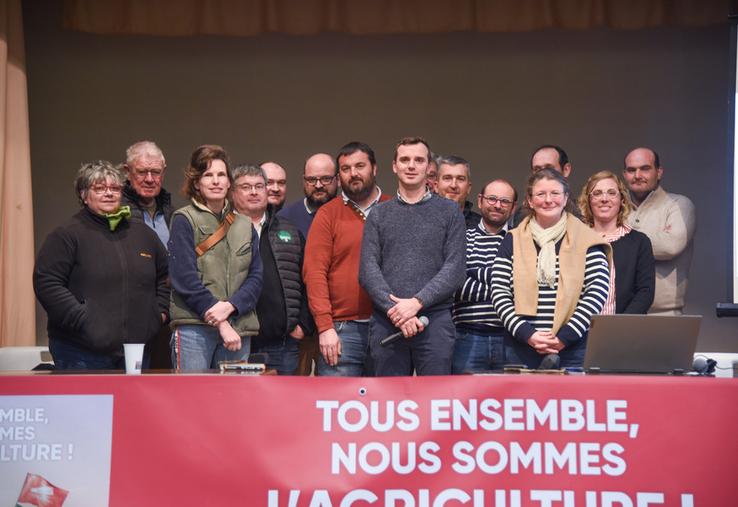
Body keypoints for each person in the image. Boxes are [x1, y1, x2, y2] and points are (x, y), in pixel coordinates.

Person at [33, 161, 169, 370]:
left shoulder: (143, 234)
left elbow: (166, 276)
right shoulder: (67, 234)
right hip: (80, 350)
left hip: (136, 350)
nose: (109, 194)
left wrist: (158, 314)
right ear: (84, 195)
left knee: (133, 404)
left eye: (114, 188)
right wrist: (82, 319)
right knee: (83, 404)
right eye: (99, 188)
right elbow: (48, 283)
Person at [360, 136, 466, 376]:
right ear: (394, 166)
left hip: (435, 322)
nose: (411, 166)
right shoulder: (378, 214)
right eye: (405, 160)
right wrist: (398, 312)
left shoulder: (449, 212)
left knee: (436, 403)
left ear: (429, 168)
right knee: (388, 404)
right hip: (387, 322)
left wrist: (416, 303)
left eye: (418, 160)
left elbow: (455, 269)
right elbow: (368, 271)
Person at [490, 168, 610, 369]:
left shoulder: (586, 239)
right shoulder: (512, 239)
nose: (548, 200)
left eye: (555, 193)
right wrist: (528, 334)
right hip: (521, 347)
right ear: (530, 200)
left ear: (565, 199)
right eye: (540, 194)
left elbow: (597, 292)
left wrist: (564, 337)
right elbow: (499, 292)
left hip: (573, 347)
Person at [168, 145, 263, 370]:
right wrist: (220, 321)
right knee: (192, 399)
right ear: (196, 183)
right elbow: (184, 278)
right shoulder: (184, 219)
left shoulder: (244, 223)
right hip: (194, 327)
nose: (216, 181)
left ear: (230, 182)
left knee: (231, 402)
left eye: (221, 175)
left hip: (238, 325)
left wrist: (231, 306)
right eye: (208, 175)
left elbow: (256, 277)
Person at [304, 142, 389, 376]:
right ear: (339, 176)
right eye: (346, 168)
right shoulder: (328, 214)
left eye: (360, 166)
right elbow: (314, 273)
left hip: (388, 328)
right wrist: (325, 327)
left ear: (375, 168)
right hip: (341, 332)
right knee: (337, 407)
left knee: (385, 408)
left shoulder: (394, 209)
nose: (353, 173)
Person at [232, 164, 313, 375]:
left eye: (259, 186)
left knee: (283, 406)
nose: (254, 192)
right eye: (246, 187)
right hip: (232, 341)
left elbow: (309, 279)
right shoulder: (221, 229)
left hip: (281, 344)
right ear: (232, 192)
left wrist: (303, 325)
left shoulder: (289, 231)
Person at [452, 179, 517, 373]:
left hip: (511, 339)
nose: (498, 205)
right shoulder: (462, 237)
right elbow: (456, 286)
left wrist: (474, 272)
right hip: (467, 336)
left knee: (511, 401)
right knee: (465, 400)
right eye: (492, 199)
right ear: (480, 201)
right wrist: (502, 285)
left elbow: (523, 286)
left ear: (513, 208)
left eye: (505, 201)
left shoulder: (522, 241)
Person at [622, 147, 696, 315]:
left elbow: (670, 246)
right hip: (620, 311)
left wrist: (619, 240)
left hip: (665, 314)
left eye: (645, 168)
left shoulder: (678, 204)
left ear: (659, 172)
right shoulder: (615, 207)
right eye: (631, 170)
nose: (638, 175)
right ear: (625, 174)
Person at [121, 140, 173, 368]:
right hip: (126, 319)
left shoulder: (173, 213)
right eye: (142, 172)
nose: (150, 179)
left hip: (165, 317)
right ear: (127, 171)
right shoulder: (114, 211)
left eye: (156, 172)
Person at [578, 171, 655, 314]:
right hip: (579, 330)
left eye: (612, 193)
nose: (604, 199)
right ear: (588, 201)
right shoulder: (575, 239)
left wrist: (622, 325)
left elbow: (645, 292)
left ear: (622, 200)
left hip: (624, 329)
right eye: (597, 193)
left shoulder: (639, 242)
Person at [512, 144, 579, 226]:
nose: (543, 174)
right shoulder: (521, 216)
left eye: (549, 168)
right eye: (537, 169)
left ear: (566, 170)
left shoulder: (582, 211)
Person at [279, 153, 338, 238]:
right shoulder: (285, 218)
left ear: (338, 180)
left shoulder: (348, 215)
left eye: (326, 179)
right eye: (311, 180)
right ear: (304, 181)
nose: (318, 185)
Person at [436, 155, 481, 229]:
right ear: (436, 186)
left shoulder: (480, 226)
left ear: (468, 188)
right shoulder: (421, 220)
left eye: (460, 179)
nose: (453, 185)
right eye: (447, 178)